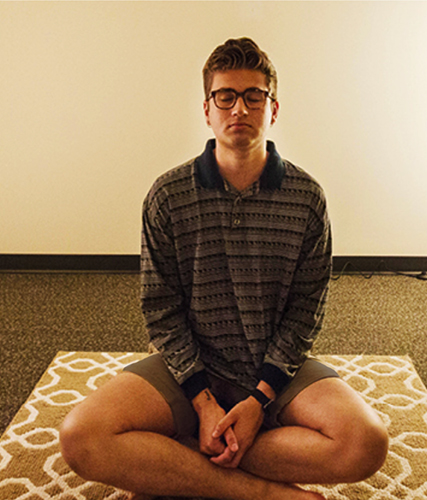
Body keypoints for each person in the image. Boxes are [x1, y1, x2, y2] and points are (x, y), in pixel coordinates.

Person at [59, 37, 388, 500]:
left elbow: (305, 312)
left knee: (366, 443)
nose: (239, 108)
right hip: (190, 370)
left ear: (272, 110)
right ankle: (260, 493)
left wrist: (257, 401)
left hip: (276, 371)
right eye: (226, 96)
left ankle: (176, 456)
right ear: (207, 109)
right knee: (80, 435)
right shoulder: (168, 196)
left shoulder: (306, 197)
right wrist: (203, 400)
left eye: (254, 96)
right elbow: (161, 309)